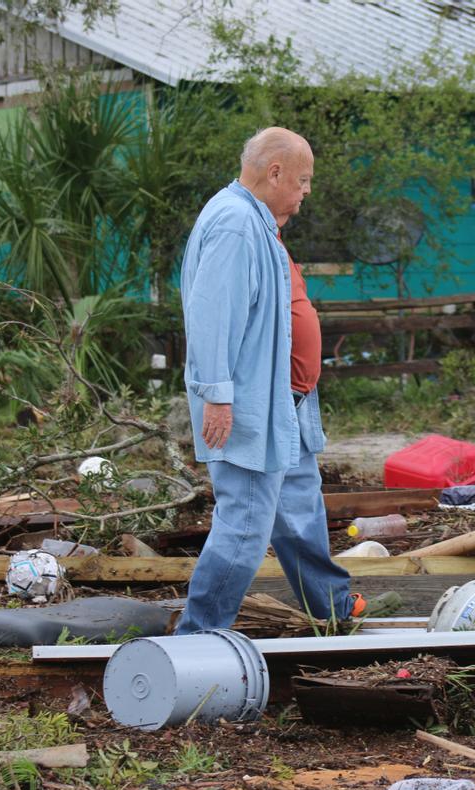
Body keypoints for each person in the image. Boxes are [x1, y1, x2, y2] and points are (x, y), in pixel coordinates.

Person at [175, 127, 399, 635]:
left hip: (285, 403)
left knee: (298, 507)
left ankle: (331, 607)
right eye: (302, 180)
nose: (306, 191)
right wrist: (216, 395)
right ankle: (200, 634)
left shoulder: (257, 221)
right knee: (247, 523)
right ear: (273, 172)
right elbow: (213, 316)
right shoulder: (235, 223)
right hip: (250, 402)